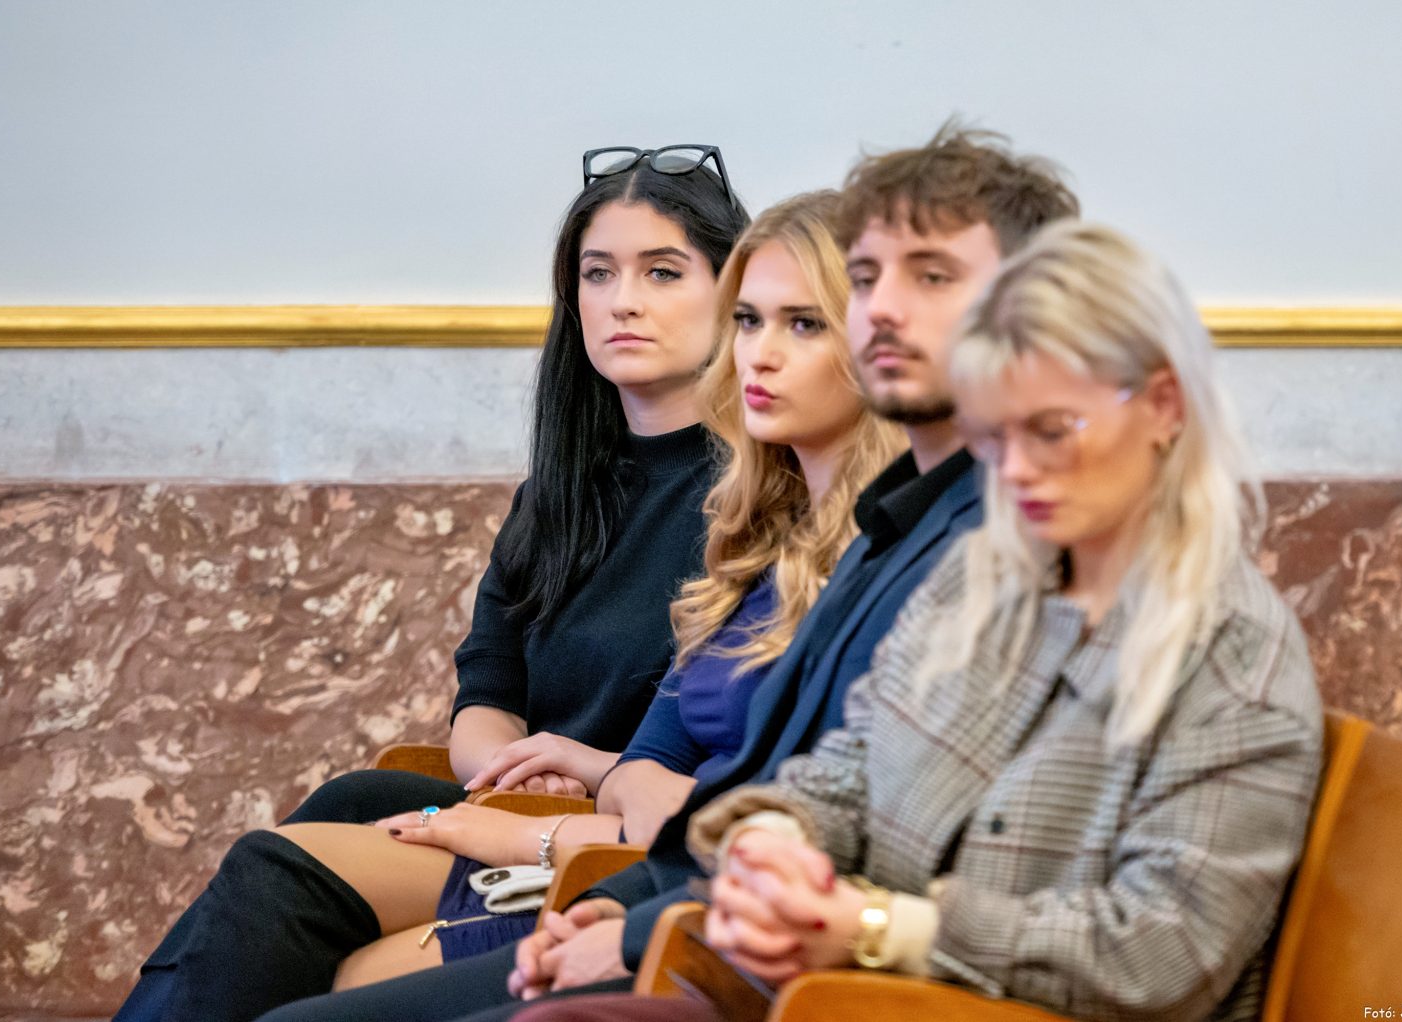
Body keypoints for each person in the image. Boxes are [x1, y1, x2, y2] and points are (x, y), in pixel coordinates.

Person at [251, 126, 1081, 1022]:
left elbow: (833, 837)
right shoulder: (811, 533)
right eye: (752, 321)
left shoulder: (966, 547)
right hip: (664, 889)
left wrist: (568, 851)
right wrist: (609, 887)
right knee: (319, 875)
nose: (763, 351)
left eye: (806, 321)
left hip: (774, 950)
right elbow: (738, 795)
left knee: (309, 954)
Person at [114, 145, 750, 1022]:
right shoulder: (560, 494)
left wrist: (585, 779)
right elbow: (486, 691)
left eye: (663, 272)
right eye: (598, 273)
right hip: (526, 805)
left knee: (277, 879)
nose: (623, 300)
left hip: (628, 845)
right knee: (341, 807)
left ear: (733, 294)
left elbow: (731, 758)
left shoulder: (756, 500)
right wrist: (516, 769)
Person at [672, 221, 1324, 1022]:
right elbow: (851, 767)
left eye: (1051, 430)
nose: (1014, 470)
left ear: (1163, 405)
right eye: (993, 436)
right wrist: (774, 845)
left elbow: (1162, 954)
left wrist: (883, 929)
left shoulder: (1233, 653)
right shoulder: (976, 577)